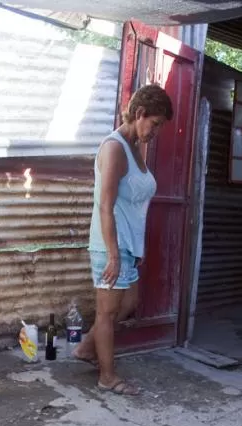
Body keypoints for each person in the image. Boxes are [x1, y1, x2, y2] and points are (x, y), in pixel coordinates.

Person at [71, 84, 174, 395]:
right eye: (155, 124)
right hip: (110, 245)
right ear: (139, 114)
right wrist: (114, 255)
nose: (156, 132)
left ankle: (86, 348)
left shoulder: (135, 148)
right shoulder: (114, 148)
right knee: (108, 312)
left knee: (129, 303)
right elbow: (106, 204)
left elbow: (132, 204)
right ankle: (107, 376)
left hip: (128, 245)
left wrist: (134, 248)